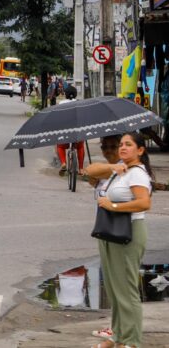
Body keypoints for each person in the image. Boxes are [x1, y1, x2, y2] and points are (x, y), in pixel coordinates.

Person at [85, 132, 153, 348]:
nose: (122, 148)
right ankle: (117, 336)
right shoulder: (120, 170)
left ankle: (132, 341)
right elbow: (90, 171)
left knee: (126, 289)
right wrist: (113, 167)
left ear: (140, 150)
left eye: (128, 145)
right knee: (114, 288)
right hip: (109, 231)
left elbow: (144, 203)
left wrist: (113, 206)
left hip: (128, 231)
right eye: (121, 145)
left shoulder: (137, 174)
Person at [85, 135, 124, 344]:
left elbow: (92, 170)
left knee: (120, 285)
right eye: (105, 147)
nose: (109, 151)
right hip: (105, 228)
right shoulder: (110, 168)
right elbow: (92, 175)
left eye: (113, 147)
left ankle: (122, 333)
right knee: (111, 283)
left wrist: (99, 172)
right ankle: (115, 327)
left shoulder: (124, 167)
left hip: (120, 230)